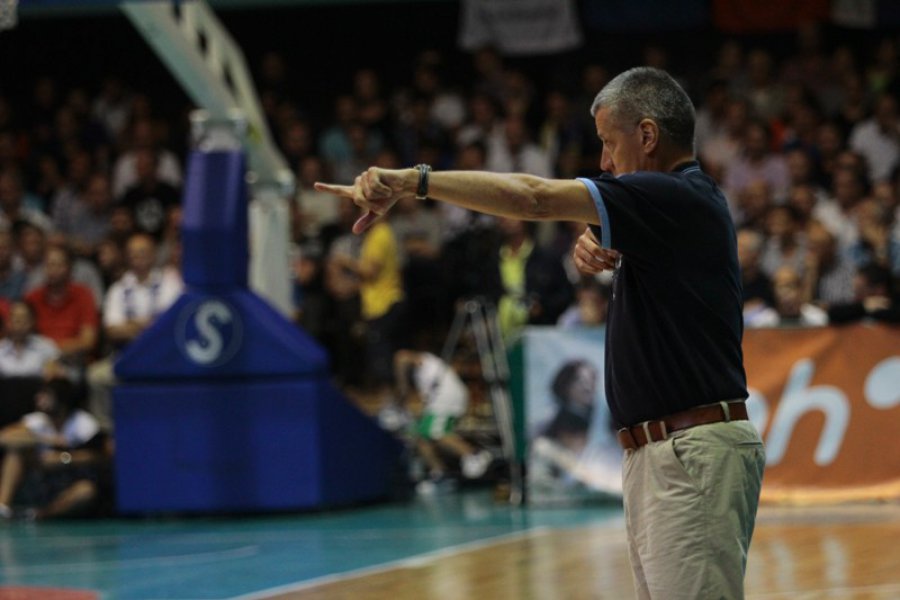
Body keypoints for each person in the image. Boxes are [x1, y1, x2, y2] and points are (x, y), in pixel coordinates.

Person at [316, 66, 765, 599]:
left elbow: (532, 197)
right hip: (665, 453)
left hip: (688, 452)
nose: (604, 162)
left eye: (608, 142)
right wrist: (596, 243)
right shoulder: (670, 210)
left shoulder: (675, 195)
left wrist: (416, 182)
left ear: (647, 135)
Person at [0, 378, 111, 520]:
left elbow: (102, 454)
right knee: (15, 453)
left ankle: (39, 515)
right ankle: (3, 507)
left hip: (70, 481)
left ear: (61, 399)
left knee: (85, 492)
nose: (38, 398)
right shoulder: (37, 420)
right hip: (39, 481)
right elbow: (3, 438)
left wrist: (63, 458)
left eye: (46, 394)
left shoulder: (83, 423)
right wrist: (46, 440)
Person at [392, 349, 492, 493]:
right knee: (420, 435)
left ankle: (474, 455)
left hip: (448, 397)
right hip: (441, 401)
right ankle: (440, 475)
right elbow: (424, 402)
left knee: (434, 431)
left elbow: (401, 357)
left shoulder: (427, 360)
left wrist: (402, 384)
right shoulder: (420, 376)